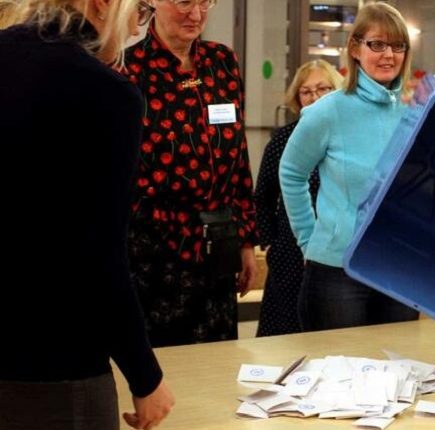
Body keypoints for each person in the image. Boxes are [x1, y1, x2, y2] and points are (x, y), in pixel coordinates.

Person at [0, 1, 174, 429]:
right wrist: (145, 377)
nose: (136, 29)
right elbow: (98, 256)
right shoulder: (105, 93)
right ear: (103, 4)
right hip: (54, 364)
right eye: (140, 11)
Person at [124, 0, 259, 347]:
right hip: (155, 251)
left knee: (218, 360)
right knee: (165, 362)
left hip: (218, 243)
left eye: (204, 2)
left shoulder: (222, 62)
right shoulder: (128, 70)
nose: (196, 14)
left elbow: (238, 156)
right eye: (184, 1)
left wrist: (245, 239)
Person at [279, 2, 419, 331]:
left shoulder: (416, 110)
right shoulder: (328, 111)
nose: (388, 55)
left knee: (396, 362)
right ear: (355, 49)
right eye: (377, 44)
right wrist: (308, 239)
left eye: (398, 46)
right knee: (337, 362)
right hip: (336, 270)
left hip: (397, 268)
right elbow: (291, 173)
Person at [255, 60, 343, 337]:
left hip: (335, 248)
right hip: (289, 250)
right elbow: (263, 195)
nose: (314, 97)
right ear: (297, 98)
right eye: (306, 91)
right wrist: (270, 242)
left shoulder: (347, 137)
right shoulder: (282, 139)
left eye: (323, 89)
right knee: (285, 332)